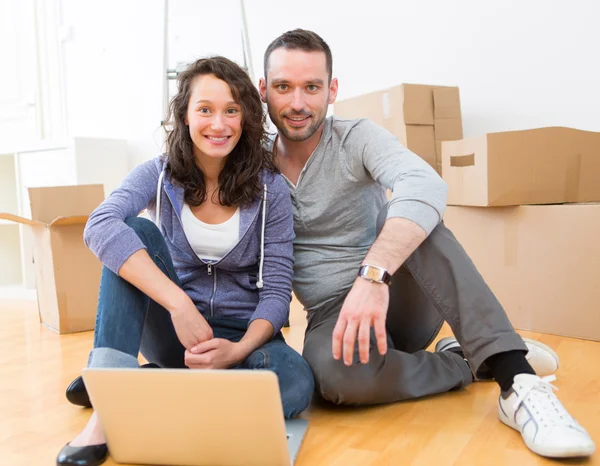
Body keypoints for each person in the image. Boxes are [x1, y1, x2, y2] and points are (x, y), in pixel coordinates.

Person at [258, 28, 595, 459]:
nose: (299, 103)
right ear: (264, 90)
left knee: (412, 217)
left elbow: (425, 183)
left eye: (312, 87)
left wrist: (373, 275)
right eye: (284, 87)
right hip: (332, 315)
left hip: (398, 294)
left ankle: (516, 380)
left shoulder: (355, 137)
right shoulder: (253, 164)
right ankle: (470, 361)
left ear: (332, 90)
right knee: (333, 382)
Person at [57, 56, 314, 466]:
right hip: (174, 330)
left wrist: (236, 350)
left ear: (246, 116)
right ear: (185, 115)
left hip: (242, 337)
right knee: (134, 232)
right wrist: (177, 303)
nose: (219, 124)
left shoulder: (271, 189)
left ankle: (144, 386)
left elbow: (279, 287)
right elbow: (99, 225)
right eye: (206, 110)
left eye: (232, 110)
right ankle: (107, 414)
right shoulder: (157, 173)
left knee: (296, 385)